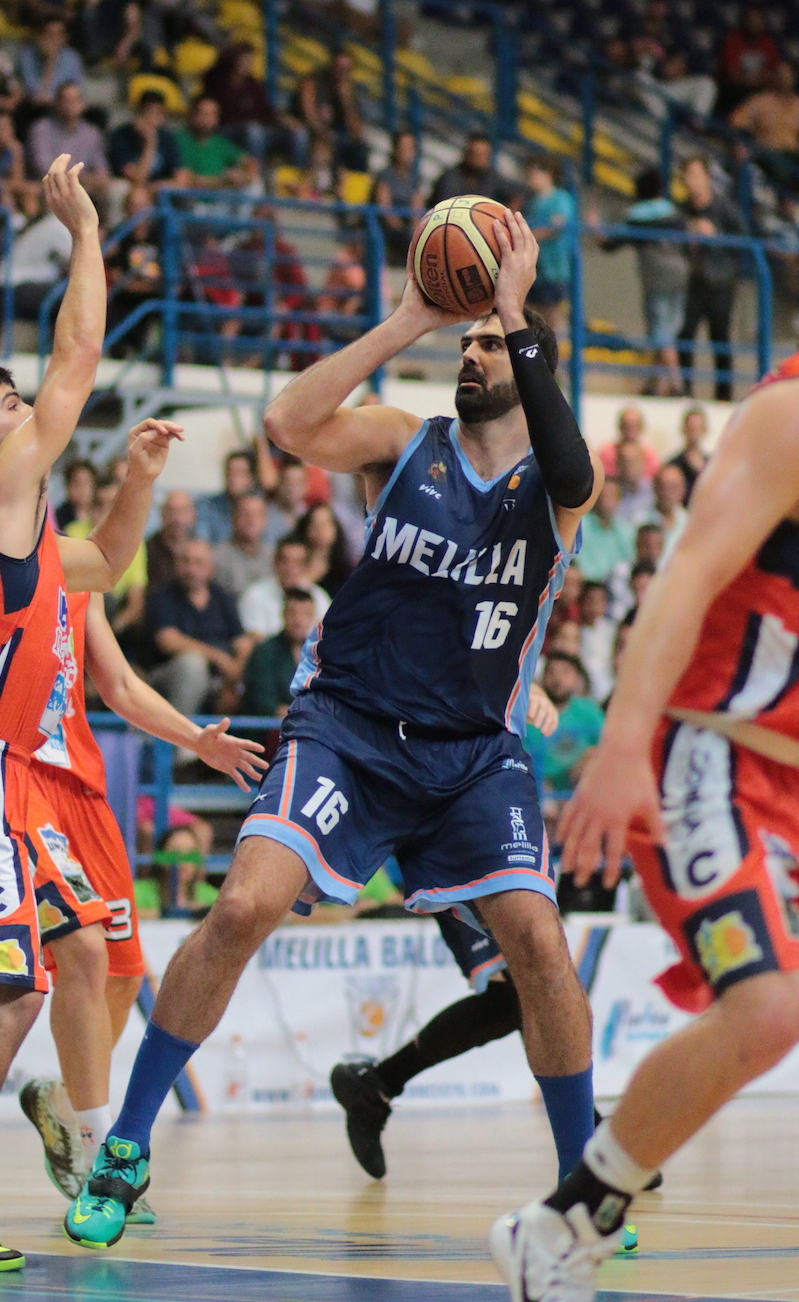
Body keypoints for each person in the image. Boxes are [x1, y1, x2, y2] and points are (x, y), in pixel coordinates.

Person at [63, 209, 607, 1250]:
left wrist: (512, 309)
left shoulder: (557, 487)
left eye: (489, 343)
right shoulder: (405, 444)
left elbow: (575, 470)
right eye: (469, 340)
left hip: (469, 755)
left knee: (539, 944)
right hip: (348, 727)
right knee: (241, 909)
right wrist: (409, 315)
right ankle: (127, 1144)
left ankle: (583, 1185)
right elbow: (286, 424)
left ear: (528, 358)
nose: (472, 350)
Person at [488, 356, 799, 1302]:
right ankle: (570, 1220)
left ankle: (562, 1220)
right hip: (708, 754)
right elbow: (688, 570)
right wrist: (623, 739)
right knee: (770, 1007)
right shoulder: (787, 415)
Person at [0, 152, 185, 1272]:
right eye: (5, 403)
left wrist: (136, 486)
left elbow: (101, 565)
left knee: (53, 963)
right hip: (17, 773)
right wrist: (85, 232)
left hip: (23, 780)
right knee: (25, 981)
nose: (23, 413)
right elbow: (77, 353)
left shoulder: (32, 526)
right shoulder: (7, 480)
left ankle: (78, 1124)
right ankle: (84, 1126)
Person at [19, 591, 265, 1202]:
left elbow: (122, 686)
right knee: (80, 955)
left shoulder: (76, 571)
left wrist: (196, 740)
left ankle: (62, 1100)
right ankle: (94, 1144)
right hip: (21, 785)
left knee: (122, 973)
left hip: (83, 791)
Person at [589, 167, 687, 396]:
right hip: (681, 273)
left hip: (656, 276)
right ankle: (654, 384)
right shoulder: (674, 214)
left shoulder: (638, 216)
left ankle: (676, 383)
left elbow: (609, 245)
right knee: (669, 328)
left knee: (661, 330)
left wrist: (595, 227)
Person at [145, 539, 253, 725]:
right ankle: (180, 746)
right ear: (177, 565)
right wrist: (219, 658)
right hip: (165, 677)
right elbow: (168, 641)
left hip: (219, 679)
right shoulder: (162, 596)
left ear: (210, 568)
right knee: (193, 664)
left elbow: (242, 643)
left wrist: (234, 680)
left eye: (198, 563)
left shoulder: (222, 597)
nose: (191, 569)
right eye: (185, 561)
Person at [678, 155, 746, 402]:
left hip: (720, 284)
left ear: (707, 177)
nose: (691, 181)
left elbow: (743, 241)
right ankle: (685, 391)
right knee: (685, 335)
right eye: (687, 176)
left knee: (720, 339)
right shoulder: (683, 210)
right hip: (693, 282)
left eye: (695, 175)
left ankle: (724, 395)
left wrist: (715, 237)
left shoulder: (724, 209)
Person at [202, 42, 308, 169]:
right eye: (242, 59)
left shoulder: (253, 84)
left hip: (258, 132)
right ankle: (255, 176)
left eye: (248, 60)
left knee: (299, 132)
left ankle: (297, 175)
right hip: (227, 131)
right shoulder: (216, 79)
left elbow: (268, 112)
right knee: (254, 131)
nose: (245, 63)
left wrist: (285, 120)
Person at [27, 82, 109, 211]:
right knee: (54, 191)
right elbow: (45, 169)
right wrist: (79, 178)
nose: (71, 106)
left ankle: (107, 231)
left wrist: (86, 179)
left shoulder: (92, 133)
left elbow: (102, 172)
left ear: (83, 104)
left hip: (85, 186)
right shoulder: (40, 129)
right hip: (52, 185)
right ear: (56, 103)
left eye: (75, 101)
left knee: (118, 189)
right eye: (66, 101)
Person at [241, 587, 318, 717]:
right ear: (283, 614)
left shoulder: (319, 654)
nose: (298, 621)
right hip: (270, 730)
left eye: (305, 614)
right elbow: (263, 703)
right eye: (292, 613)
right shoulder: (264, 651)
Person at [290, 49, 368, 174]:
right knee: (303, 137)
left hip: (333, 137)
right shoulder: (313, 81)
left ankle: (356, 186)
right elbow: (309, 116)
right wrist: (323, 135)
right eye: (339, 67)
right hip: (310, 132)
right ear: (331, 65)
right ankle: (299, 176)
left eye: (346, 69)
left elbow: (357, 132)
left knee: (360, 148)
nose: (342, 72)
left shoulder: (348, 90)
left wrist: (346, 102)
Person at [238, 535, 331, 639]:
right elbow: (255, 640)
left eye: (297, 563)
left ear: (306, 566)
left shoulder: (319, 597)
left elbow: (327, 637)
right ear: (275, 562)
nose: (290, 569)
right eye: (285, 561)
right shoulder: (255, 595)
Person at [524, 155, 575, 333]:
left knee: (551, 320)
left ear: (548, 174)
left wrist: (529, 236)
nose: (530, 177)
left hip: (554, 269)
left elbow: (557, 225)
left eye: (535, 173)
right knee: (529, 318)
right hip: (534, 269)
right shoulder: (531, 203)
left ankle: (553, 359)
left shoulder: (560, 199)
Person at [731, 62, 799, 193]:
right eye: (780, 74)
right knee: (780, 169)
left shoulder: (797, 105)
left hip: (793, 155)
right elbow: (736, 121)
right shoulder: (761, 102)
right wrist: (740, 142)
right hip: (768, 153)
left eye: (787, 75)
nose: (784, 78)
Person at [107, 89, 189, 194]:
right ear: (138, 113)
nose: (152, 119)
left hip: (157, 188)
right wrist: (150, 144)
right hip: (130, 190)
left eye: (158, 114)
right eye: (148, 113)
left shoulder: (167, 137)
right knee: (138, 196)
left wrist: (159, 186)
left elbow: (182, 178)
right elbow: (138, 179)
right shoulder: (121, 136)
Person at [175, 96, 258, 191]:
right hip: (191, 200)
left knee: (254, 185)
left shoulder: (220, 143)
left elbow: (250, 163)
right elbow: (186, 179)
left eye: (212, 114)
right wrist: (222, 181)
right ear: (193, 115)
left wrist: (243, 177)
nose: (208, 119)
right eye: (204, 114)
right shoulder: (180, 141)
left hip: (219, 199)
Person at [716, 4, 779, 118]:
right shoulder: (733, 41)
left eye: (758, 20)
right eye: (751, 19)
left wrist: (755, 79)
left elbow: (773, 75)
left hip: (759, 93)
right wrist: (756, 79)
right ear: (744, 21)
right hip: (734, 92)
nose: (754, 23)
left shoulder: (768, 44)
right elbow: (732, 75)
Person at [373, 131, 425, 266]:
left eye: (410, 149)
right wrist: (400, 228)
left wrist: (416, 229)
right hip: (388, 227)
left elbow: (417, 208)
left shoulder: (414, 178)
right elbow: (385, 208)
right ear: (395, 149)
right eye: (403, 148)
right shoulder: (385, 176)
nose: (406, 153)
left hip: (407, 229)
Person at [429, 132, 515, 207]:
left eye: (484, 155)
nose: (481, 159)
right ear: (467, 153)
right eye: (476, 154)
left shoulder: (491, 177)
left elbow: (515, 195)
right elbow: (444, 206)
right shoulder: (450, 178)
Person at [213, 493, 274, 599]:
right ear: (233, 518)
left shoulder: (274, 557)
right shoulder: (216, 558)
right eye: (245, 514)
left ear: (265, 521)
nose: (251, 520)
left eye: (257, 515)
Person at [576, 477, 634, 583]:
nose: (607, 500)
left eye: (612, 496)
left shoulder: (625, 530)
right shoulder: (580, 526)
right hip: (588, 586)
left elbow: (628, 560)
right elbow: (578, 564)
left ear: (619, 499)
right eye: (603, 495)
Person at [195, 449, 258, 545]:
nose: (233, 478)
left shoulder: (259, 509)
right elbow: (201, 542)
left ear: (251, 478)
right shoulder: (207, 506)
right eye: (230, 472)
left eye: (239, 473)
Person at [17, 17, 84, 106]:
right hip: (37, 108)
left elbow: (79, 88)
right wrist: (50, 61)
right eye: (49, 34)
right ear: (41, 35)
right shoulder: (27, 56)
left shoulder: (72, 57)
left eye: (58, 35)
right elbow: (36, 96)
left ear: (64, 38)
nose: (53, 39)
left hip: (65, 106)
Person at [292, 502, 353, 596]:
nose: (321, 528)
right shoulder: (294, 565)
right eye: (315, 524)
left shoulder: (345, 572)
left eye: (326, 522)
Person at [146, 489, 196, 590]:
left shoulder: (200, 550)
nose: (177, 518)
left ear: (193, 515)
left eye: (183, 511)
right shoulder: (148, 550)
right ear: (162, 514)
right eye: (171, 511)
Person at [578, 581, 615, 703]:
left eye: (599, 601)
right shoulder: (575, 630)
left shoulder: (612, 631)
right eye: (590, 601)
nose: (594, 606)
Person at [0, 111, 40, 224]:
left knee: (31, 191)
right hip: (3, 189)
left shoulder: (15, 148)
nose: (5, 132)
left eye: (8, 127)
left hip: (7, 186)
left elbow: (17, 179)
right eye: (1, 128)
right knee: (6, 195)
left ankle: (30, 225)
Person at [599, 406, 660, 479]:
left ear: (641, 427)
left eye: (634, 425)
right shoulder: (607, 452)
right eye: (627, 424)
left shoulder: (649, 454)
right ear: (620, 426)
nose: (630, 429)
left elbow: (653, 480)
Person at [667, 406, 709, 502]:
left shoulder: (713, 464)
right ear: (683, 429)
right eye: (691, 428)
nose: (694, 432)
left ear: (705, 430)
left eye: (697, 428)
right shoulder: (673, 465)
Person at [649, 461, 688, 559]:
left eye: (673, 487)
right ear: (655, 488)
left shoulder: (689, 523)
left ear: (682, 490)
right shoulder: (641, 521)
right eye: (663, 487)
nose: (667, 493)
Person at [614, 443, 654, 529]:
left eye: (634, 461)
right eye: (625, 461)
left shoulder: (655, 491)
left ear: (643, 463)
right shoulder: (612, 493)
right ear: (618, 464)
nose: (629, 466)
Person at [55, 459, 97, 531]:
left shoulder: (102, 513)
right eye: (77, 483)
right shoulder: (58, 518)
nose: (82, 488)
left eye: (86, 483)